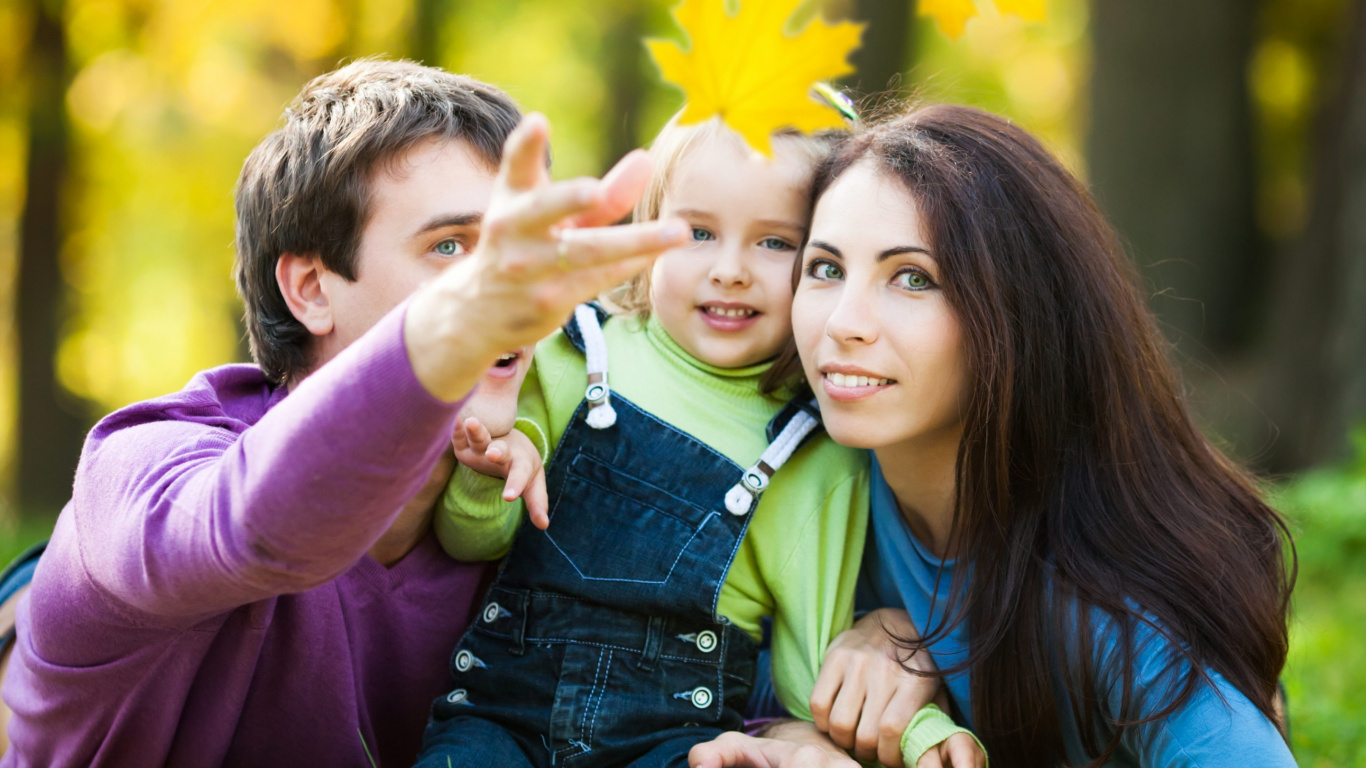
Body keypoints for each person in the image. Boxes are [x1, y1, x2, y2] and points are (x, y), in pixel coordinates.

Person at [0, 58, 689, 767]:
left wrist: (786, 731)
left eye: (520, 251)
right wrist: (459, 323)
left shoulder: (535, 507)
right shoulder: (136, 471)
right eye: (449, 248)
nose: (509, 290)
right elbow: (254, 526)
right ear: (311, 289)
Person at [693, 103, 1296, 768]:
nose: (843, 322)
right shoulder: (786, 476)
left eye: (913, 278)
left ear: (1014, 315)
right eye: (827, 269)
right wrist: (793, 730)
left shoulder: (1116, 607)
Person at [414, 114, 984, 768]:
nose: (731, 270)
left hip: (671, 744)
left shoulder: (812, 455)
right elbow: (470, 540)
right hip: (497, 720)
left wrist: (919, 736)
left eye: (775, 243)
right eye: (698, 233)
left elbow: (813, 665)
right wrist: (487, 477)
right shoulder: (572, 355)